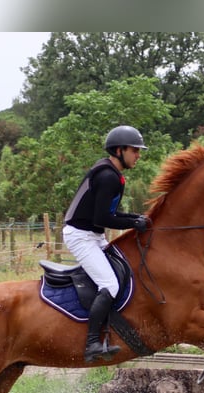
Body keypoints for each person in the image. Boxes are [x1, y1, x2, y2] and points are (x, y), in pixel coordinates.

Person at [63, 125, 151, 362]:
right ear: (120, 150)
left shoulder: (111, 172)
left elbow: (110, 212)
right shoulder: (108, 176)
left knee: (124, 274)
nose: (138, 155)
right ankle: (92, 343)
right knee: (109, 284)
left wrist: (135, 218)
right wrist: (135, 223)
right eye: (135, 150)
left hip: (93, 234)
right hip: (81, 236)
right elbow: (102, 218)